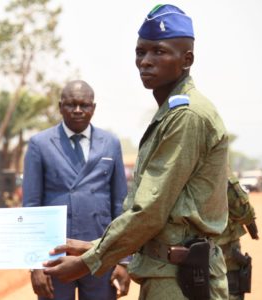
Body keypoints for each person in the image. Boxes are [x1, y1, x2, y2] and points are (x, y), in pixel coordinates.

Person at [44, 5, 230, 300]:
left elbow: (150, 210)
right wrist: (94, 247)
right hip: (166, 271)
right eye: (140, 52)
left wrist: (87, 261)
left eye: (159, 52)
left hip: (180, 280)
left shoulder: (187, 115)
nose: (145, 62)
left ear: (187, 59)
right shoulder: (171, 113)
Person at [22, 80, 129, 299]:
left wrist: (124, 261)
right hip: (55, 254)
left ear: (94, 107)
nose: (78, 110)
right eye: (71, 104)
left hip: (99, 252)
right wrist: (35, 266)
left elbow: (120, 204)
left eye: (84, 104)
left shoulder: (110, 143)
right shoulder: (40, 144)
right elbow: (31, 206)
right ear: (61, 106)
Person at [215, 172, 258, 300]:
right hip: (225, 250)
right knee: (231, 291)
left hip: (192, 248)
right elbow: (245, 212)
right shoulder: (220, 171)